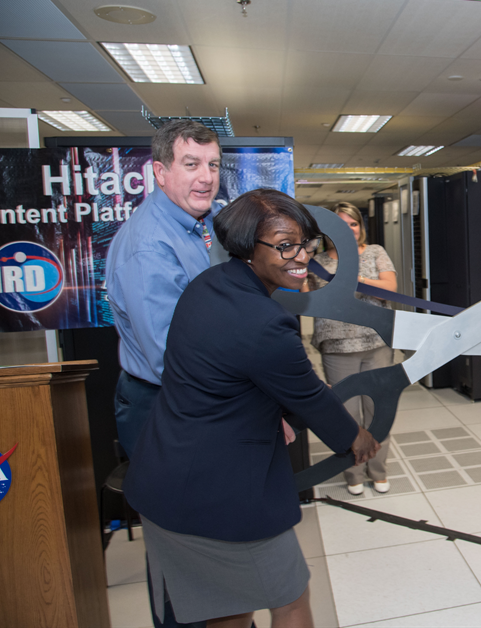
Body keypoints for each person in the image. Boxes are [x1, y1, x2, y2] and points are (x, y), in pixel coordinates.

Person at [125, 189, 380, 628]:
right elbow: (307, 394)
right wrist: (356, 437)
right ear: (246, 248)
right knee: (291, 600)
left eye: (305, 243)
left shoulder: (209, 286)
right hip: (216, 496)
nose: (301, 256)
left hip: (168, 479)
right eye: (284, 245)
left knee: (228, 608)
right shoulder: (263, 322)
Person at [106, 119, 223, 457]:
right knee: (179, 508)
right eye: (191, 164)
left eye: (212, 164)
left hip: (205, 391)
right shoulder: (149, 247)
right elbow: (173, 356)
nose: (206, 177)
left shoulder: (211, 222)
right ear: (160, 171)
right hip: (166, 404)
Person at [308, 201, 397, 495]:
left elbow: (389, 287)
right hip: (337, 347)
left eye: (353, 223)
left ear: (361, 227)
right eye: (341, 224)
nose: (348, 230)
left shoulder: (374, 252)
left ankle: (378, 470)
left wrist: (353, 279)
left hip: (377, 343)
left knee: (379, 412)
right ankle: (354, 473)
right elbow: (305, 300)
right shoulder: (317, 261)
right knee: (346, 416)